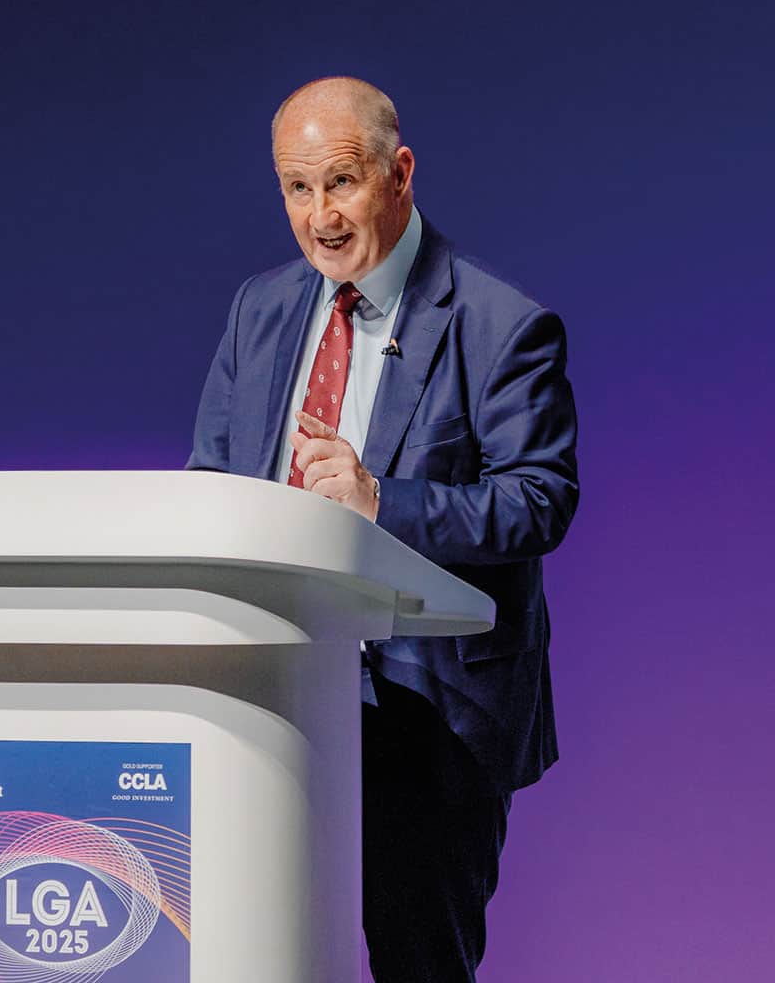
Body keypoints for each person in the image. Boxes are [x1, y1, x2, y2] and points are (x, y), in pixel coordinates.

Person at [187, 77, 579, 982]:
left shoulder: (500, 325)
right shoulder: (260, 310)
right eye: (297, 188)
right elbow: (211, 481)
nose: (319, 216)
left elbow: (539, 500)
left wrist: (379, 503)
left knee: (418, 967)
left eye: (341, 182)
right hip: (269, 693)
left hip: (427, 710)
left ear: (399, 174)